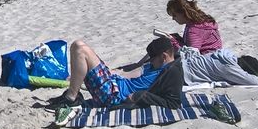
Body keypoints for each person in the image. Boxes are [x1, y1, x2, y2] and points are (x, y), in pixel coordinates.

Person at [48, 37, 183, 109]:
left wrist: (139, 96)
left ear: (164, 56)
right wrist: (115, 73)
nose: (151, 62)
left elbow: (173, 103)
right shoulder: (158, 65)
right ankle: (73, 93)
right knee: (80, 46)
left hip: (113, 95)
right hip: (114, 83)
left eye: (152, 59)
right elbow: (137, 72)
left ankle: (71, 98)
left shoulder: (172, 72)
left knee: (79, 47)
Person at [180, 46, 258, 86]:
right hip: (182, 76)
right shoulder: (229, 68)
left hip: (180, 63)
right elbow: (255, 82)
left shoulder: (226, 53)